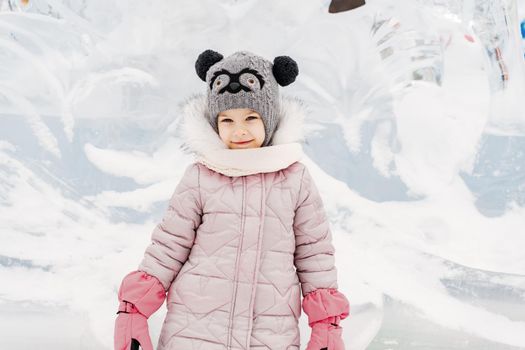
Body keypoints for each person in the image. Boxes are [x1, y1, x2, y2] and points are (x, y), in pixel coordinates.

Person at [113, 50, 350, 350]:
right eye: (227, 120)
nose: (239, 130)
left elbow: (314, 255)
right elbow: (168, 245)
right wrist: (133, 310)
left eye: (251, 117)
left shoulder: (295, 179)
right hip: (195, 330)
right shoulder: (201, 176)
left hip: (268, 334)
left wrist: (326, 325)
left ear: (270, 118)